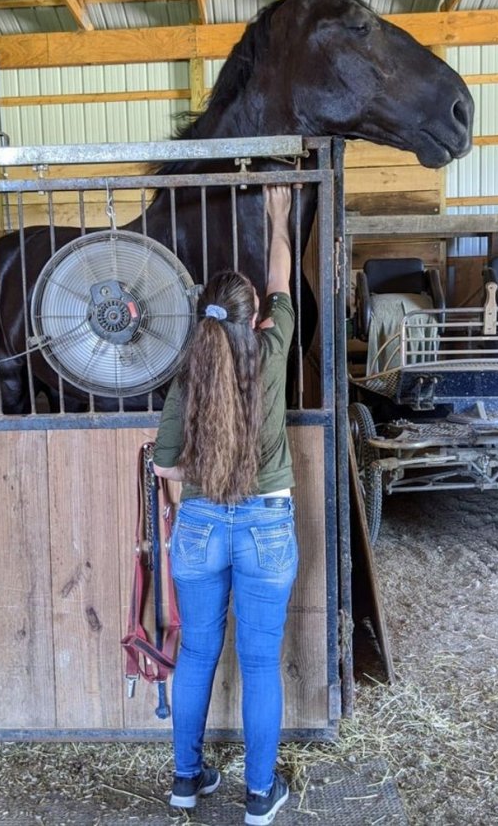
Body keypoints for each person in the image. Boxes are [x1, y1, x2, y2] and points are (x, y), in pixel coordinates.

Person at [153, 185, 298, 826]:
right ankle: (260, 797)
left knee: (197, 653)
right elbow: (282, 282)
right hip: (267, 522)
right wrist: (278, 217)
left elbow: (163, 463)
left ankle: (187, 782)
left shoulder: (189, 374)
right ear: (255, 318)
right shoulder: (271, 351)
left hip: (200, 523)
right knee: (261, 661)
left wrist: (201, 471)